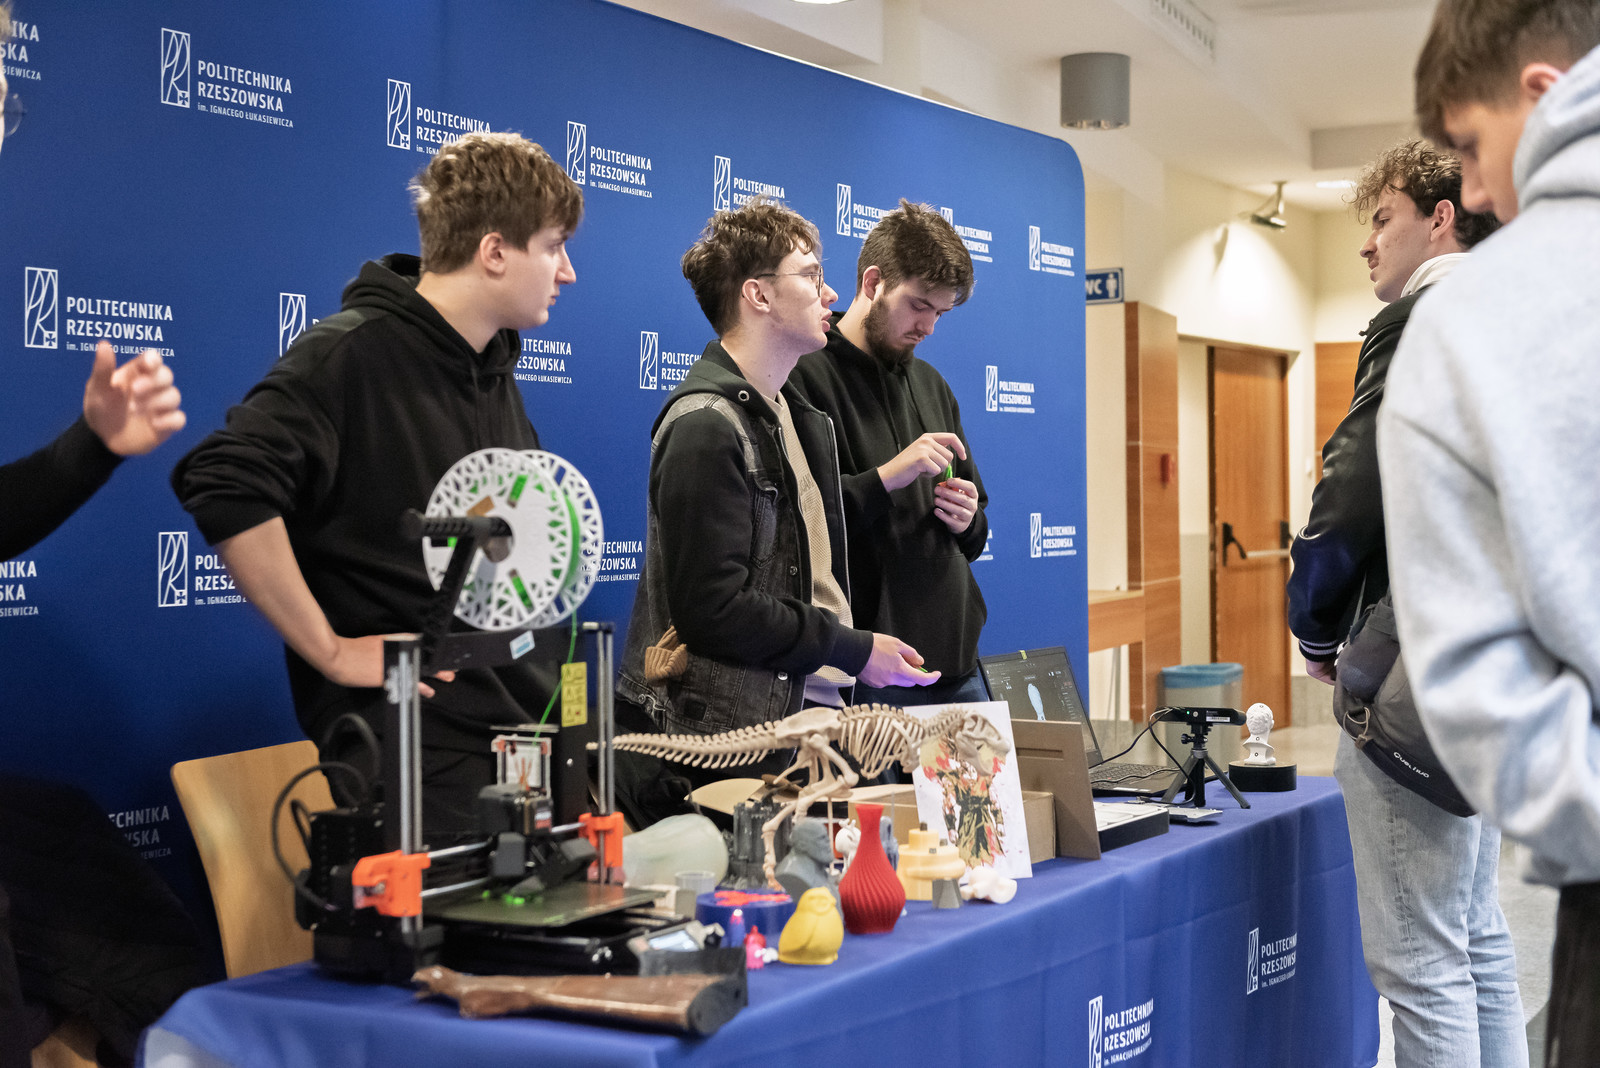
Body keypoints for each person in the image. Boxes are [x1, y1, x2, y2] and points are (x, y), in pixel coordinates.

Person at [171, 131, 581, 834]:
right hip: (417, 757)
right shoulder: (348, 355)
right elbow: (223, 481)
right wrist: (330, 651)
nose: (567, 272)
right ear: (494, 251)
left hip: (524, 736)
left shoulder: (493, 370)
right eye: (554, 246)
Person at [1379, 2, 1600, 1063]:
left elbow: (1482, 697)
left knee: (1436, 950)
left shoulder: (1466, 325)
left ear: (1544, 94)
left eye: (1470, 149)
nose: (1470, 193)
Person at [1287, 140, 1521, 1066]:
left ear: (1441, 218)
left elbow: (1352, 491)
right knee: (1476, 934)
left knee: (1421, 962)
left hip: (1413, 679)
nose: (1366, 242)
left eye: (1382, 219)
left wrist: (1313, 624)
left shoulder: (1422, 320)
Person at [614, 199, 936, 811]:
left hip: (804, 723)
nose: (830, 292)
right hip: (732, 743)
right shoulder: (706, 425)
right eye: (811, 275)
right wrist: (853, 648)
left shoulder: (794, 416)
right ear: (758, 295)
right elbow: (715, 610)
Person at [788, 200, 989, 708]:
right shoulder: (802, 374)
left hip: (957, 665)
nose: (929, 327)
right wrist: (886, 478)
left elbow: (975, 531)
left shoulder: (932, 384)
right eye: (919, 305)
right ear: (873, 282)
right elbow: (797, 526)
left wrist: (967, 519)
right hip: (865, 672)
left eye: (940, 313)